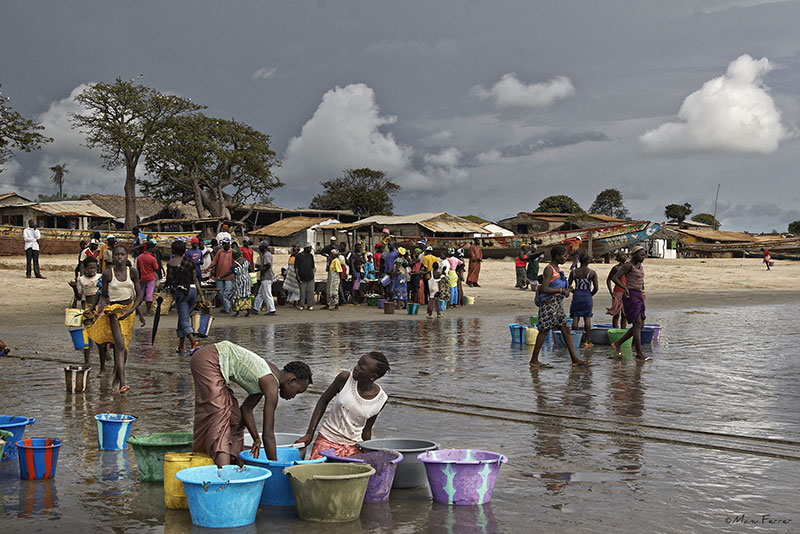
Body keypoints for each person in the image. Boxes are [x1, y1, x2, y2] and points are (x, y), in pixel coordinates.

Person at [190, 341, 312, 465]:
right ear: (292, 381)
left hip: (214, 362)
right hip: (209, 360)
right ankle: (224, 471)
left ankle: (235, 463)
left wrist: (256, 438)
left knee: (235, 419)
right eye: (297, 391)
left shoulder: (270, 377)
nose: (294, 396)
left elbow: (246, 409)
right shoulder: (271, 385)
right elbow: (268, 435)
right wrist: (276, 466)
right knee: (219, 419)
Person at [299, 352, 390, 459]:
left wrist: (367, 451)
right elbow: (323, 402)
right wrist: (309, 434)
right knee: (318, 468)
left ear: (373, 376)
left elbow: (367, 430)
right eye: (358, 363)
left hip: (353, 446)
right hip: (327, 439)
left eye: (361, 368)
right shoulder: (345, 379)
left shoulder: (381, 399)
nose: (356, 368)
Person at [85, 244, 145, 393]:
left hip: (129, 310)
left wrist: (133, 311)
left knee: (125, 347)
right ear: (112, 257)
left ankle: (116, 380)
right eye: (117, 254)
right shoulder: (108, 274)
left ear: (126, 256)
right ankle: (123, 382)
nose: (119, 257)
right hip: (113, 311)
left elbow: (139, 295)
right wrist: (100, 308)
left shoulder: (132, 272)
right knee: (119, 344)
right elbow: (102, 294)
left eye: (122, 254)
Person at [529, 245, 589, 368]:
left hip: (557, 305)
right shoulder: (549, 269)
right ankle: (534, 360)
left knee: (566, 329)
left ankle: (575, 359)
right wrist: (561, 290)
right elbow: (544, 288)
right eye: (564, 256)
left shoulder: (557, 269)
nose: (566, 258)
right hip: (549, 305)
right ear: (557, 256)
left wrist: (567, 289)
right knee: (544, 331)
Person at [610, 245, 651, 361]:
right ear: (634, 254)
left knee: (640, 325)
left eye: (644, 255)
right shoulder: (628, 266)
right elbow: (614, 278)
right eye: (641, 255)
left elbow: (641, 281)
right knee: (637, 324)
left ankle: (618, 343)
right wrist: (624, 288)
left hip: (638, 294)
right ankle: (639, 354)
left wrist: (642, 292)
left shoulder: (640, 266)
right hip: (630, 295)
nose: (643, 257)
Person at [165, 240, 206, 354]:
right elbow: (195, 279)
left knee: (183, 320)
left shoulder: (171, 263)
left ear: (173, 250)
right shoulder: (190, 262)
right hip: (192, 291)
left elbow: (169, 281)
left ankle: (193, 342)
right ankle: (181, 346)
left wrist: (164, 287)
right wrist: (202, 295)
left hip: (181, 293)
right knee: (183, 317)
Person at [75, 257, 109, 371]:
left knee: (100, 334)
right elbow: (79, 296)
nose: (92, 270)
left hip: (100, 308)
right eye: (90, 268)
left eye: (94, 268)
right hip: (87, 308)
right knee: (87, 334)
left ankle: (104, 355)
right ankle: (87, 360)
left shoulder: (100, 277)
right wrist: (74, 288)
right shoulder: (81, 280)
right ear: (84, 268)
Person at [569, 253, 599, 347]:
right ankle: (587, 341)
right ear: (588, 261)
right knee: (587, 318)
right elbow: (596, 288)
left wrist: (574, 291)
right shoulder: (592, 273)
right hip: (587, 295)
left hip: (577, 295)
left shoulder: (574, 272)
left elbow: (568, 285)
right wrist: (590, 295)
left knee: (575, 317)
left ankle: (574, 340)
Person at [222, 249, 252, 317]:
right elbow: (250, 269)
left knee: (237, 295)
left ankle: (237, 312)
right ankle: (248, 312)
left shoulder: (236, 264)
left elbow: (229, 272)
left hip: (239, 281)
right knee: (246, 294)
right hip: (247, 280)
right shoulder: (246, 260)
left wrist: (220, 277)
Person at [605, 251, 629, 329]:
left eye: (625, 255)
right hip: (617, 292)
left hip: (626, 292)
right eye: (622, 255)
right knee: (616, 313)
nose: (625, 256)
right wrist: (611, 292)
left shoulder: (629, 267)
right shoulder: (616, 268)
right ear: (618, 257)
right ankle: (615, 329)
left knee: (624, 314)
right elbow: (608, 280)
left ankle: (623, 330)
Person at [252, 242, 276, 316]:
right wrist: (257, 269)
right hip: (266, 277)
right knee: (260, 293)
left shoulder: (266, 255)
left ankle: (272, 310)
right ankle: (256, 308)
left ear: (264, 247)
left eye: (260, 246)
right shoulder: (266, 254)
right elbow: (264, 265)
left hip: (266, 277)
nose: (259, 248)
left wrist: (263, 271)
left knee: (267, 294)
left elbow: (268, 264)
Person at [137, 240, 159, 315]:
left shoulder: (140, 257)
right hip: (151, 277)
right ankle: (148, 310)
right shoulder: (152, 258)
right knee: (149, 294)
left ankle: (136, 308)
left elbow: (138, 267)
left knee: (141, 293)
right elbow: (156, 267)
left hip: (143, 277)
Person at [212, 238, 234, 314]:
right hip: (219, 276)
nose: (225, 245)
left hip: (229, 277)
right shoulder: (220, 252)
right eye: (224, 244)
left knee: (226, 294)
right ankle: (226, 307)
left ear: (229, 244)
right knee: (220, 293)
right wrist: (207, 268)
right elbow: (214, 262)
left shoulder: (232, 252)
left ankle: (228, 309)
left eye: (226, 244)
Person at [295, 243, 316, 311]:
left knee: (310, 291)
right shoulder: (299, 256)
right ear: (305, 248)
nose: (310, 250)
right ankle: (301, 305)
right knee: (302, 292)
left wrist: (313, 274)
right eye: (309, 248)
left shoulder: (310, 256)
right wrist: (297, 276)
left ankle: (310, 305)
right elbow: (296, 267)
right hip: (301, 277)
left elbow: (312, 266)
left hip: (310, 276)